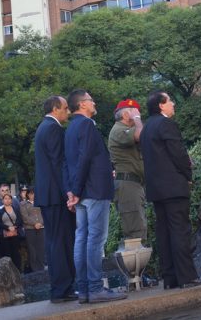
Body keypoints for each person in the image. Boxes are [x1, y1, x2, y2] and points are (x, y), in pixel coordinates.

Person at [140, 91, 201, 289]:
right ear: (161, 105)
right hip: (173, 186)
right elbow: (178, 154)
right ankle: (187, 277)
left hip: (156, 189)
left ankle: (170, 278)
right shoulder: (165, 124)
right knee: (179, 231)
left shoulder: (146, 128)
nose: (173, 104)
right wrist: (187, 174)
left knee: (164, 233)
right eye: (170, 101)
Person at [65, 89, 125, 304]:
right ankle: (96, 287)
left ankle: (84, 290)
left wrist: (72, 191)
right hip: (94, 191)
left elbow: (67, 163)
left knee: (82, 238)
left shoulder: (71, 128)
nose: (94, 102)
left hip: (81, 192)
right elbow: (85, 159)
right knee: (95, 240)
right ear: (82, 105)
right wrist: (77, 190)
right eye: (91, 100)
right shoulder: (86, 125)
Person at [33, 95, 77, 304]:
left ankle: (60, 287)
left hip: (48, 194)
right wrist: (69, 191)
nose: (68, 112)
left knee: (54, 242)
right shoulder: (53, 128)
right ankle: (62, 288)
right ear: (55, 108)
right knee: (61, 242)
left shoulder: (43, 127)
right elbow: (59, 163)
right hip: (55, 195)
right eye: (66, 108)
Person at [108, 99, 147, 241]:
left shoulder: (126, 130)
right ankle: (137, 263)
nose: (139, 114)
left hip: (133, 183)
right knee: (135, 231)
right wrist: (137, 119)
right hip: (127, 184)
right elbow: (141, 136)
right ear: (125, 115)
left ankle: (139, 262)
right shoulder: (118, 130)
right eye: (135, 111)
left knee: (138, 226)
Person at [0, 193, 24, 271]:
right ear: (3, 200)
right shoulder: (0, 211)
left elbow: (20, 220)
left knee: (16, 253)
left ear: (11, 200)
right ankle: (8, 272)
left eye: (9, 198)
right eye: (5, 199)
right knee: (7, 254)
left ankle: (18, 270)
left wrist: (14, 227)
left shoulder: (16, 209)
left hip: (15, 234)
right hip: (5, 235)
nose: (7, 200)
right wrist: (8, 228)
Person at [20, 188, 46, 272]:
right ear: (27, 194)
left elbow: (44, 213)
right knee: (32, 249)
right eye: (30, 193)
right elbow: (25, 217)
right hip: (30, 229)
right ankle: (34, 268)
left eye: (34, 193)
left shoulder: (40, 202)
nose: (32, 195)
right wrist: (34, 224)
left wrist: (40, 223)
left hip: (41, 228)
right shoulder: (23, 204)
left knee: (41, 248)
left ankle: (41, 267)